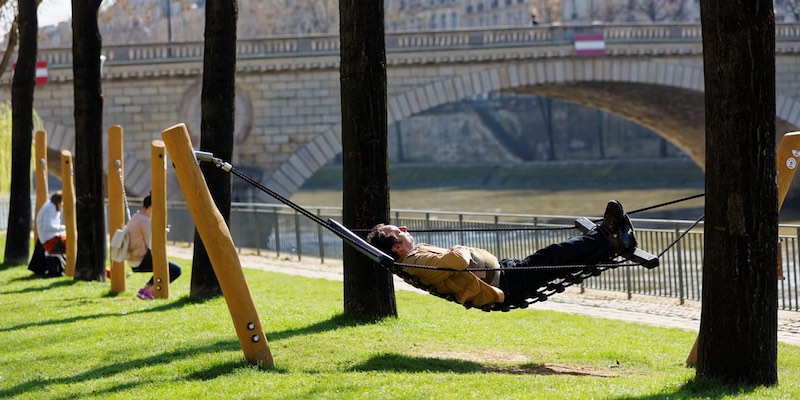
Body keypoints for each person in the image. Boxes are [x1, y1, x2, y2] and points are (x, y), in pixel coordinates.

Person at [366, 200, 638, 308]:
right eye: (398, 231)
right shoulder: (418, 261)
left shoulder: (413, 258)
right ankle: (609, 236)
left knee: (560, 260)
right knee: (557, 255)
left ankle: (607, 239)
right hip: (505, 282)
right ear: (396, 248)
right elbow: (457, 261)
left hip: (503, 273)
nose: (403, 228)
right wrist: (459, 249)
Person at [125, 194, 182, 300]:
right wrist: (163, 234)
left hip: (133, 259)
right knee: (176, 270)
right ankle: (152, 292)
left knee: (165, 267)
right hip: (140, 260)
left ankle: (144, 290)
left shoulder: (137, 216)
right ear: (151, 207)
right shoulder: (145, 221)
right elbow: (152, 244)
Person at [28, 192, 67, 276]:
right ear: (59, 202)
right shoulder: (51, 208)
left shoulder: (52, 206)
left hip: (49, 236)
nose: (62, 205)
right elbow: (47, 226)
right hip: (50, 238)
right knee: (69, 243)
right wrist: (63, 228)